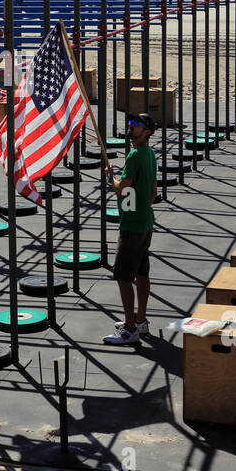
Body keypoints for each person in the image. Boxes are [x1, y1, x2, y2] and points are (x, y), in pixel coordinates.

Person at [103, 113, 158, 345]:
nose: (131, 127)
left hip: (132, 225)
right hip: (145, 220)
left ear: (146, 132)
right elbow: (153, 193)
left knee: (123, 276)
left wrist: (111, 178)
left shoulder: (135, 155)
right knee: (142, 272)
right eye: (131, 123)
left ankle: (130, 328)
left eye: (136, 125)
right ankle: (141, 320)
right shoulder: (150, 154)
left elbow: (122, 189)